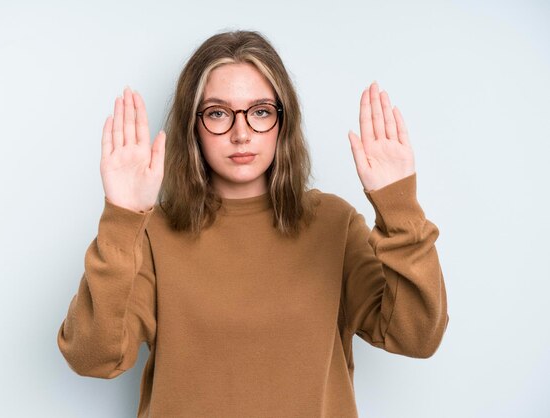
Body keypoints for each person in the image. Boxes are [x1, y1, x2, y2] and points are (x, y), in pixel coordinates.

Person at [57, 30, 448, 417]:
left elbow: (416, 336)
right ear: (193, 127)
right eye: (218, 113)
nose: (241, 134)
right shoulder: (156, 233)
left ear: (283, 121)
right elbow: (92, 356)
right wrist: (122, 216)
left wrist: (398, 206)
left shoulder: (334, 224)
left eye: (260, 111)